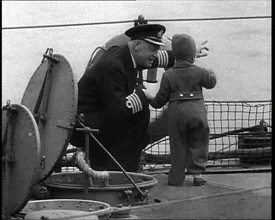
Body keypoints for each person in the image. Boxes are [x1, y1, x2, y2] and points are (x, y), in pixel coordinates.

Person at [70, 24, 209, 172]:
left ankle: (125, 167)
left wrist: (190, 54)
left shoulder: (126, 56)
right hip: (85, 126)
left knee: (139, 114)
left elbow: (159, 58)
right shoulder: (114, 66)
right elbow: (117, 111)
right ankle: (117, 170)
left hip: (97, 119)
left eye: (157, 49)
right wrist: (143, 95)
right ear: (137, 45)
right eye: (153, 48)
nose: (155, 54)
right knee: (138, 115)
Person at [143, 34, 217, 186]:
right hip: (198, 113)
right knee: (199, 142)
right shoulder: (200, 72)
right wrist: (210, 72)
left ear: (174, 56)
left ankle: (176, 178)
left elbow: (159, 101)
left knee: (178, 145)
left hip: (177, 115)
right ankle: (198, 176)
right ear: (193, 55)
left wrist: (148, 97)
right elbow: (211, 83)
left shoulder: (168, 75)